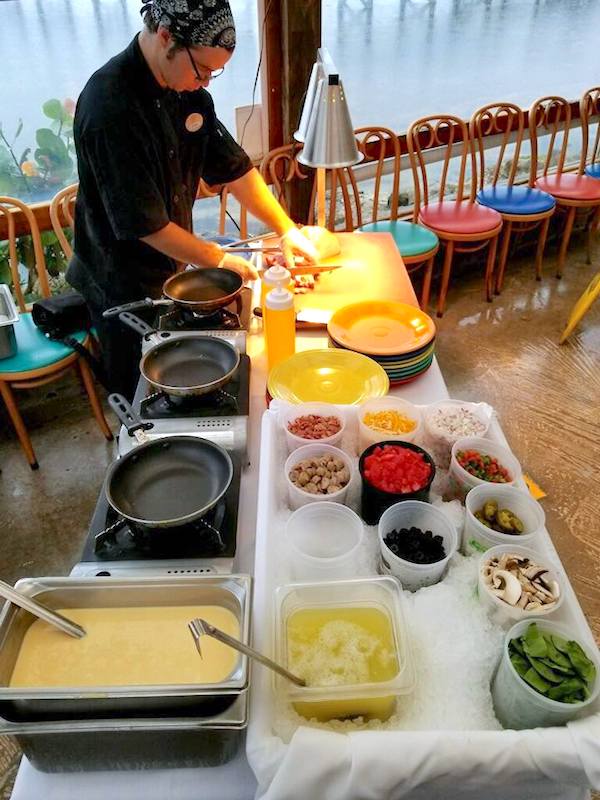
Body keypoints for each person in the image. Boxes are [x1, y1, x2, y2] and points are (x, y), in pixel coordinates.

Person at [67, 0, 320, 400]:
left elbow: (235, 169)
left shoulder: (188, 92)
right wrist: (216, 258)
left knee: (184, 374)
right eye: (202, 69)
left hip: (173, 265)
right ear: (165, 36)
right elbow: (143, 223)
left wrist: (286, 229)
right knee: (142, 392)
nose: (205, 82)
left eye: (214, 73)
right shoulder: (108, 107)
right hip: (119, 278)